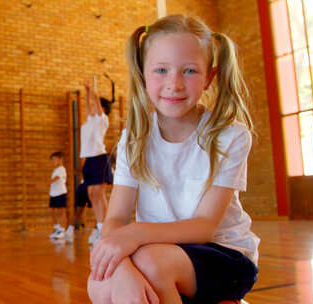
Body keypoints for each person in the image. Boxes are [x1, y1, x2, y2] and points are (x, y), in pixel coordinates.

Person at [88, 15, 259, 304]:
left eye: (190, 70)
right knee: (100, 284)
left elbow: (204, 226)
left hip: (224, 255)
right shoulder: (134, 138)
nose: (175, 83)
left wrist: (136, 236)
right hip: (152, 252)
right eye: (161, 70)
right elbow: (115, 217)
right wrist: (123, 267)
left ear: (210, 78)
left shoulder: (229, 135)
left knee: (152, 264)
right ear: (143, 75)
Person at [80, 77, 114, 245]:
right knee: (91, 194)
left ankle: (105, 231)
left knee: (99, 194)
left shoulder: (102, 120)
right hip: (89, 160)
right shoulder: (90, 120)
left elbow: (96, 105)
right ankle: (100, 226)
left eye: (95, 105)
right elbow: (87, 105)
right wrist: (86, 91)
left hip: (100, 158)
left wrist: (93, 92)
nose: (91, 107)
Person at [48, 152, 68, 239]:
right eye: (52, 160)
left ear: (60, 159)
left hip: (60, 193)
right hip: (54, 193)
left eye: (55, 159)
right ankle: (57, 228)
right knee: (51, 210)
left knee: (61, 211)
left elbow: (55, 179)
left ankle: (63, 230)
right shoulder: (55, 170)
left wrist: (45, 183)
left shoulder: (61, 169)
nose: (53, 161)